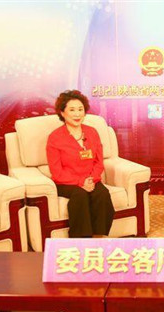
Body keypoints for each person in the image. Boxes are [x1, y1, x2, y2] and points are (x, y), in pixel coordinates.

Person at [46, 90, 115, 238]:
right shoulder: (55, 138)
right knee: (80, 195)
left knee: (102, 194)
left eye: (80, 109)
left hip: (91, 179)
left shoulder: (92, 132)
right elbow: (56, 173)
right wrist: (80, 182)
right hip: (66, 182)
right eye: (72, 110)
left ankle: (99, 237)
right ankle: (81, 240)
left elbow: (99, 162)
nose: (77, 114)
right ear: (62, 113)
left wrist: (92, 179)